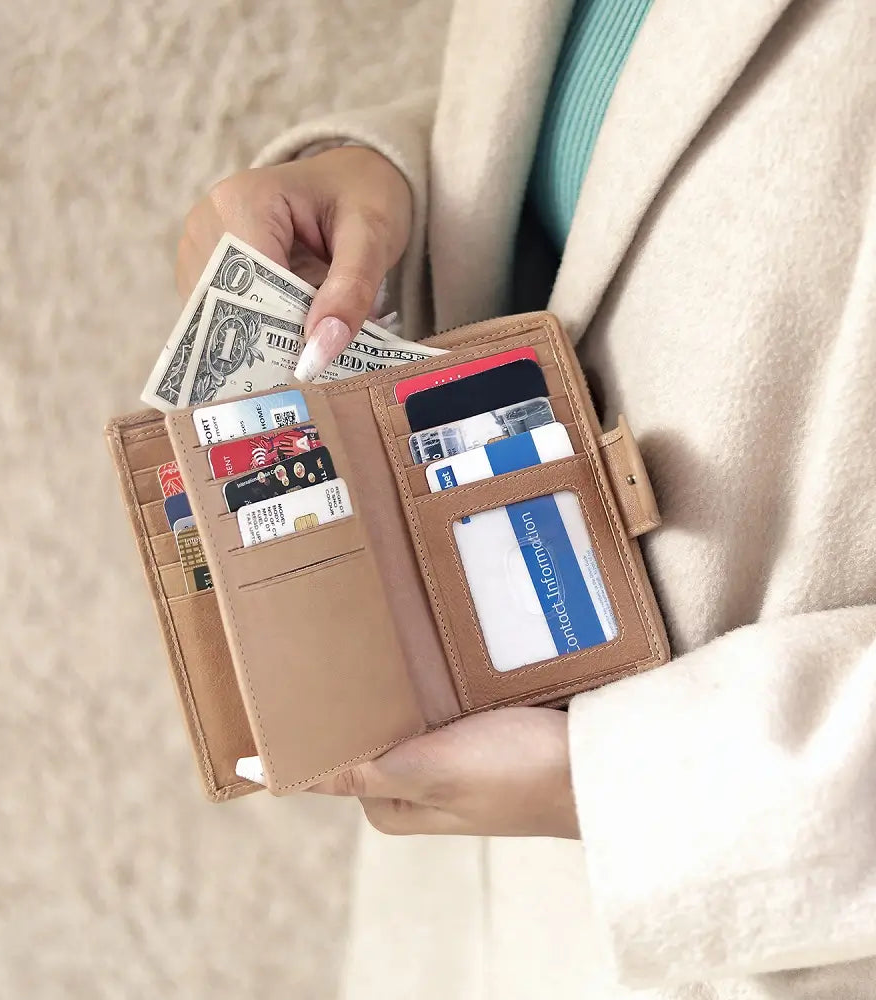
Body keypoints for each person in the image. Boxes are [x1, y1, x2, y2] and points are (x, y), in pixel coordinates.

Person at [177, 0, 876, 996]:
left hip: (759, 920)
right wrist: (384, 187)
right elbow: (631, 133)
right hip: (477, 902)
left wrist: (621, 782)